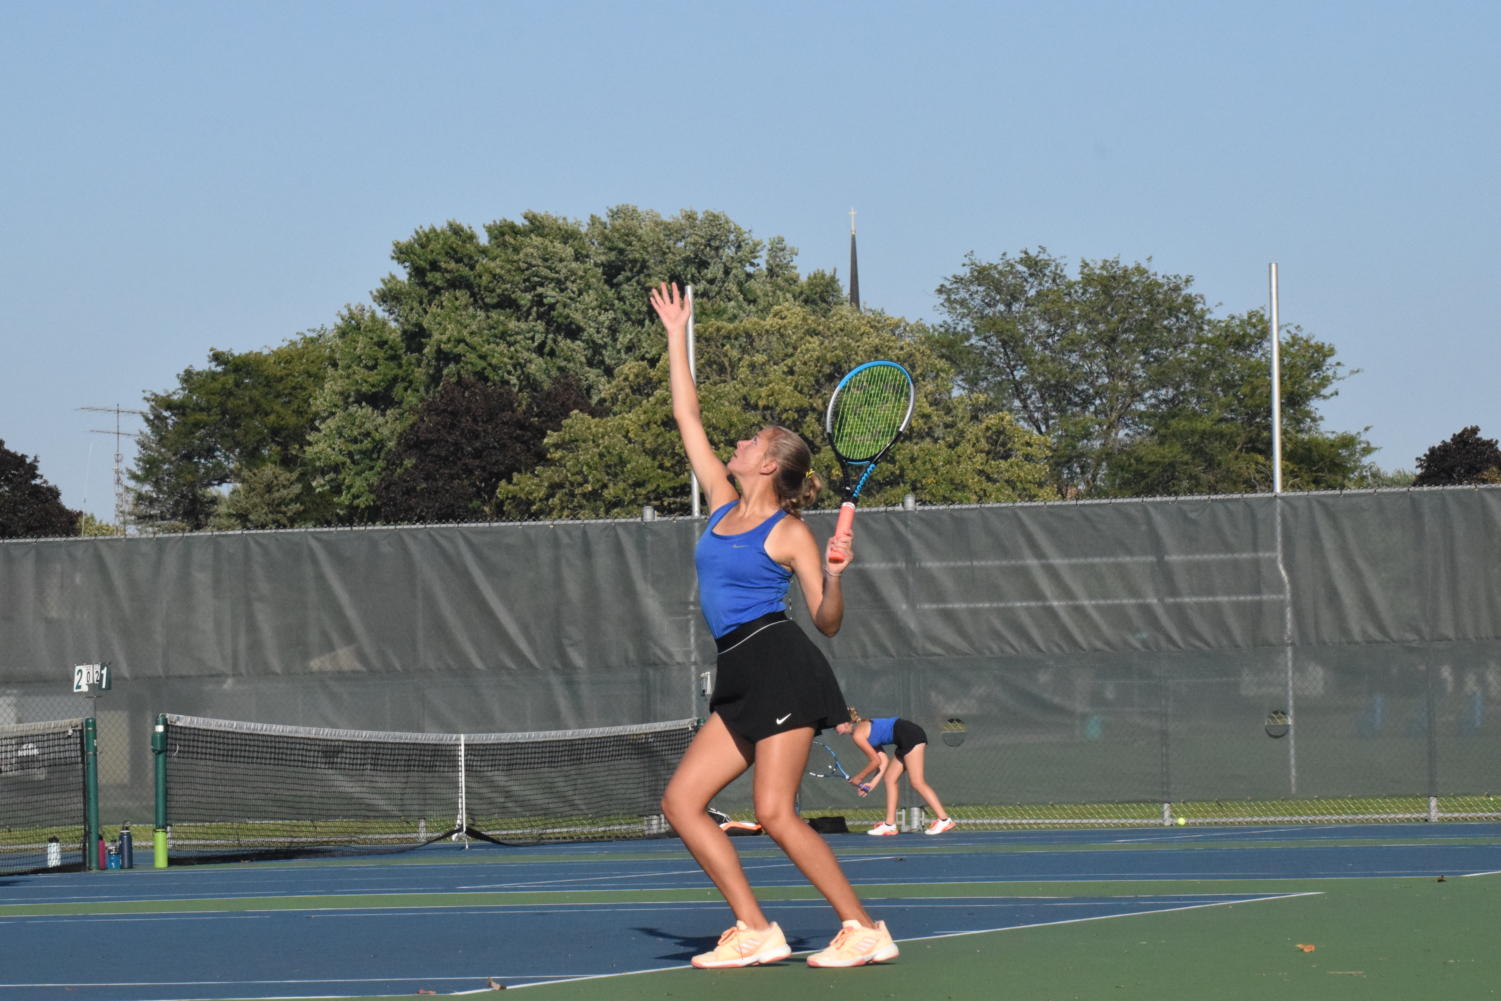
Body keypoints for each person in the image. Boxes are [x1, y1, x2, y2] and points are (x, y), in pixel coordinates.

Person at [651, 282, 899, 970]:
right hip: (737, 672)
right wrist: (677, 331)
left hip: (782, 664)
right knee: (681, 801)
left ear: (769, 462)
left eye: (751, 439)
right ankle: (754, 927)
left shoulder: (787, 530)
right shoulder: (721, 503)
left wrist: (837, 572)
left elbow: (825, 623)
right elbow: (686, 417)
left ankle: (861, 927)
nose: (736, 440)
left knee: (775, 809)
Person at [836, 709, 956, 836]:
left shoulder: (858, 735)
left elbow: (874, 761)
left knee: (917, 782)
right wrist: (872, 783)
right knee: (889, 778)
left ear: (845, 723)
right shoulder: (860, 732)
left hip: (910, 735)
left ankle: (944, 820)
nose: (834, 729)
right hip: (905, 738)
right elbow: (882, 761)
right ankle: (890, 825)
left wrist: (859, 778)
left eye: (835, 726)